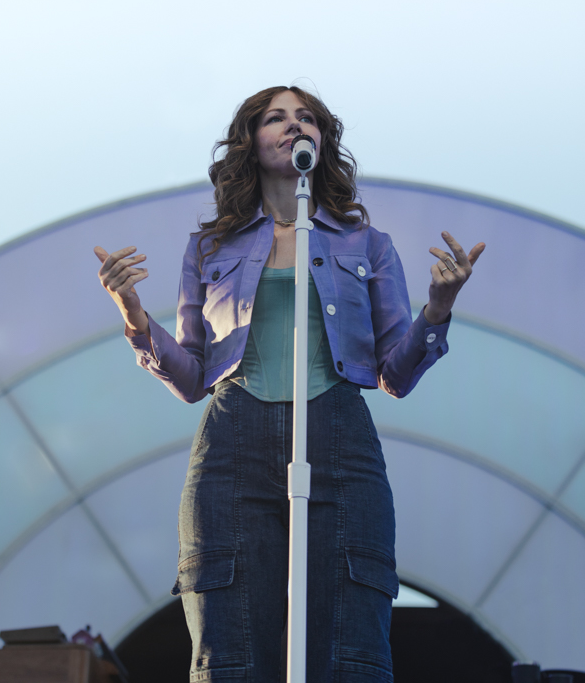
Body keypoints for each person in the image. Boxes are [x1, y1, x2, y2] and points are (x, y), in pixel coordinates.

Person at [94, 85, 485, 683]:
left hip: (341, 441)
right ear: (250, 140)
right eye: (276, 118)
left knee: (351, 651)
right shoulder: (210, 247)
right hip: (231, 445)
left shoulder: (366, 244)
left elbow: (395, 374)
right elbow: (193, 376)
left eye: (307, 118)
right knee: (229, 653)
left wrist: (438, 306)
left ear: (322, 142)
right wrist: (131, 312)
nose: (294, 126)